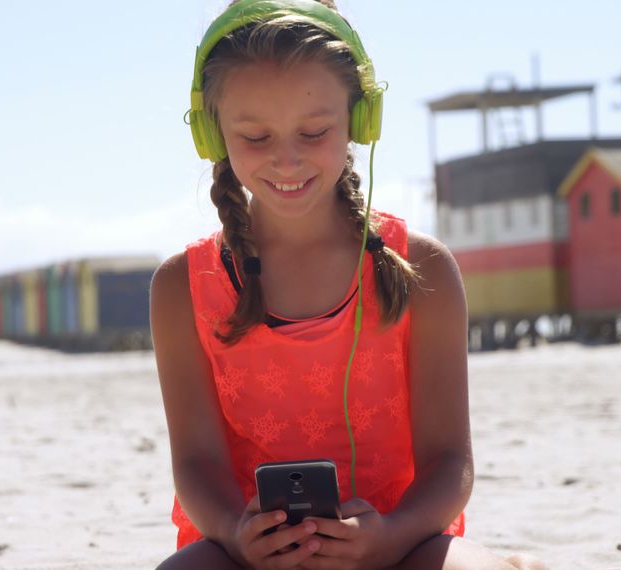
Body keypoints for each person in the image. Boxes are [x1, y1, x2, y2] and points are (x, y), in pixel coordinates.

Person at [151, 1, 547, 568]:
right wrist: (237, 534)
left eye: (314, 132)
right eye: (256, 137)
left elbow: (449, 461)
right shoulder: (181, 287)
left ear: (362, 121)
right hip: (245, 555)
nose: (287, 161)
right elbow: (196, 465)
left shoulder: (421, 269)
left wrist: (391, 534)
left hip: (398, 548)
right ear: (213, 134)